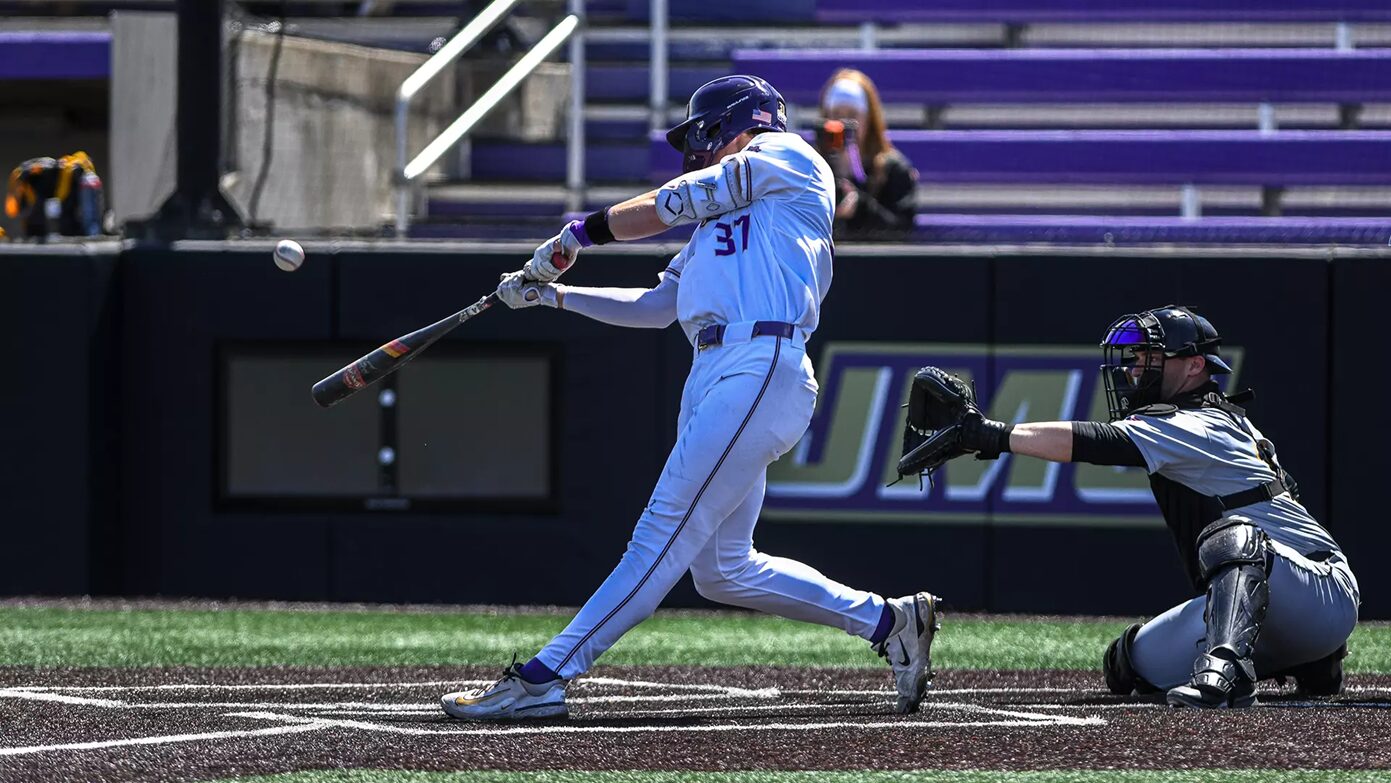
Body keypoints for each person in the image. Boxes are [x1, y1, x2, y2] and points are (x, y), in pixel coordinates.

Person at [440, 75, 943, 721]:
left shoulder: (784, 155)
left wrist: (575, 236)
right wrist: (552, 295)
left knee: (658, 534)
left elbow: (672, 200)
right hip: (714, 370)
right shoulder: (717, 218)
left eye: (701, 133)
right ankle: (888, 621)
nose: (695, 148)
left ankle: (544, 675)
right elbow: (657, 306)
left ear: (732, 122)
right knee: (721, 568)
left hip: (761, 361)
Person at [896, 305, 1358, 709]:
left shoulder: (1199, 422)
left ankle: (1234, 670)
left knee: (1233, 537)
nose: (1137, 367)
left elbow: (1098, 442)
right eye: (1138, 357)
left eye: (1151, 357)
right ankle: (1311, 663)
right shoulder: (1203, 418)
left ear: (1195, 365)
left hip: (1319, 593)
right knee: (1126, 664)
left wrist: (991, 435)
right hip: (1269, 604)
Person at [814, 69, 917, 240]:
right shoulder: (813, 164)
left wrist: (861, 206)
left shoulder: (893, 168)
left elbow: (903, 229)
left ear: (869, 118)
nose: (843, 123)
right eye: (836, 114)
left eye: (853, 115)